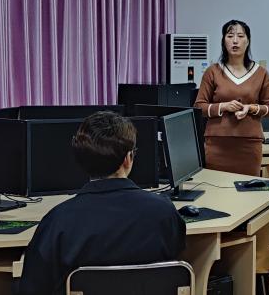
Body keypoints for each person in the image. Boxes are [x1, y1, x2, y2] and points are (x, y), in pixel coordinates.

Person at [16, 111, 186, 295]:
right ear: (128, 159)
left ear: (81, 161)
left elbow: (32, 287)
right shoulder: (164, 212)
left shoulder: (58, 222)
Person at [194, 19, 269, 176]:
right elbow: (199, 106)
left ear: (248, 41)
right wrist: (223, 106)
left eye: (240, 36)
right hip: (217, 144)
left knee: (247, 188)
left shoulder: (261, 73)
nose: (235, 40)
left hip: (249, 144)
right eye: (230, 36)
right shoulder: (213, 72)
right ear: (223, 41)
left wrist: (250, 108)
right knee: (216, 187)